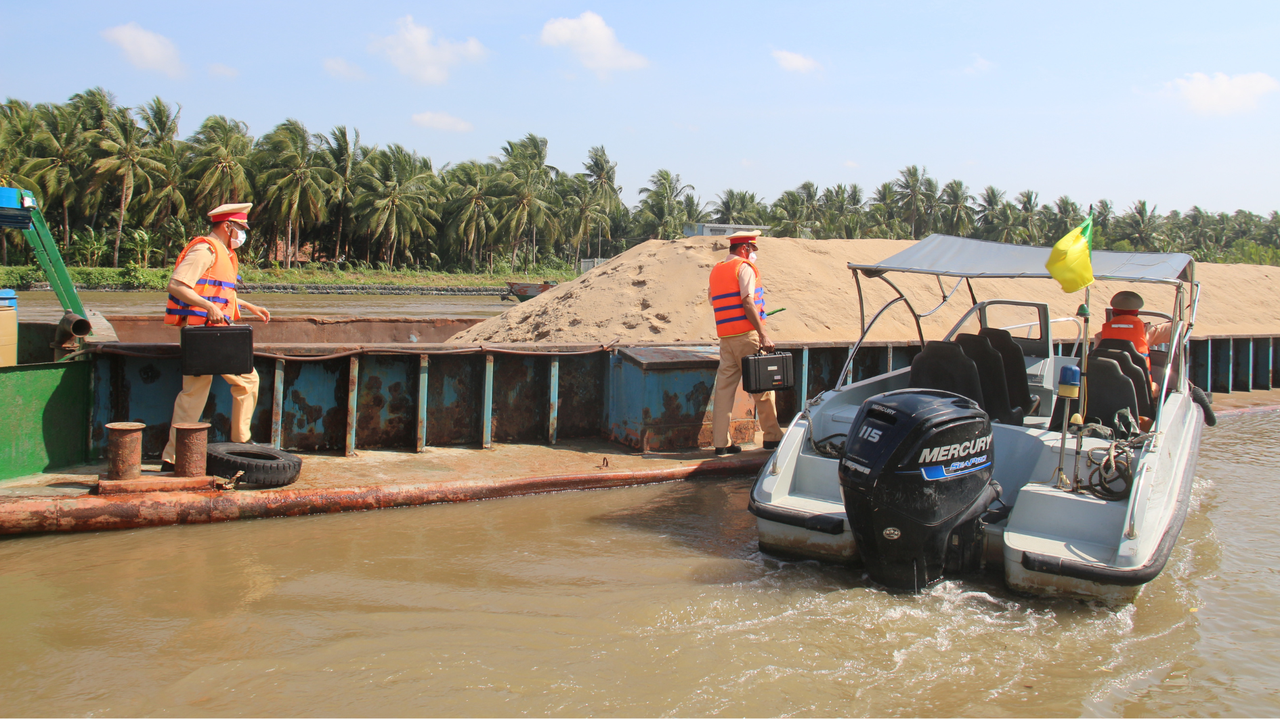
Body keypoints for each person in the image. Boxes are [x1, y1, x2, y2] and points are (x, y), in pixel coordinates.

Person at [160, 202, 271, 471]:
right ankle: (239, 442)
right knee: (243, 381)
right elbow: (176, 285)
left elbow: (215, 291)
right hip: (204, 333)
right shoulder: (205, 249)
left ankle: (173, 458)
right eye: (241, 228)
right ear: (228, 226)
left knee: (198, 392)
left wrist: (247, 305)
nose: (243, 235)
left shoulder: (222, 252)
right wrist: (208, 306)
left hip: (210, 332)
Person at [707, 230, 784, 456]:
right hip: (747, 337)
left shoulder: (717, 269)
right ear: (744, 248)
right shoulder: (744, 268)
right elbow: (748, 302)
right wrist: (763, 334)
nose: (753, 254)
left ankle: (721, 443)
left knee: (724, 392)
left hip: (726, 339)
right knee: (763, 387)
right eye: (752, 249)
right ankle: (772, 437)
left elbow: (714, 300)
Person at [1095, 290, 1172, 371]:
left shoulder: (1101, 336)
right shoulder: (1146, 331)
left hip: (1110, 378)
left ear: (1113, 313)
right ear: (1136, 314)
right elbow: (1173, 330)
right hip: (1139, 379)